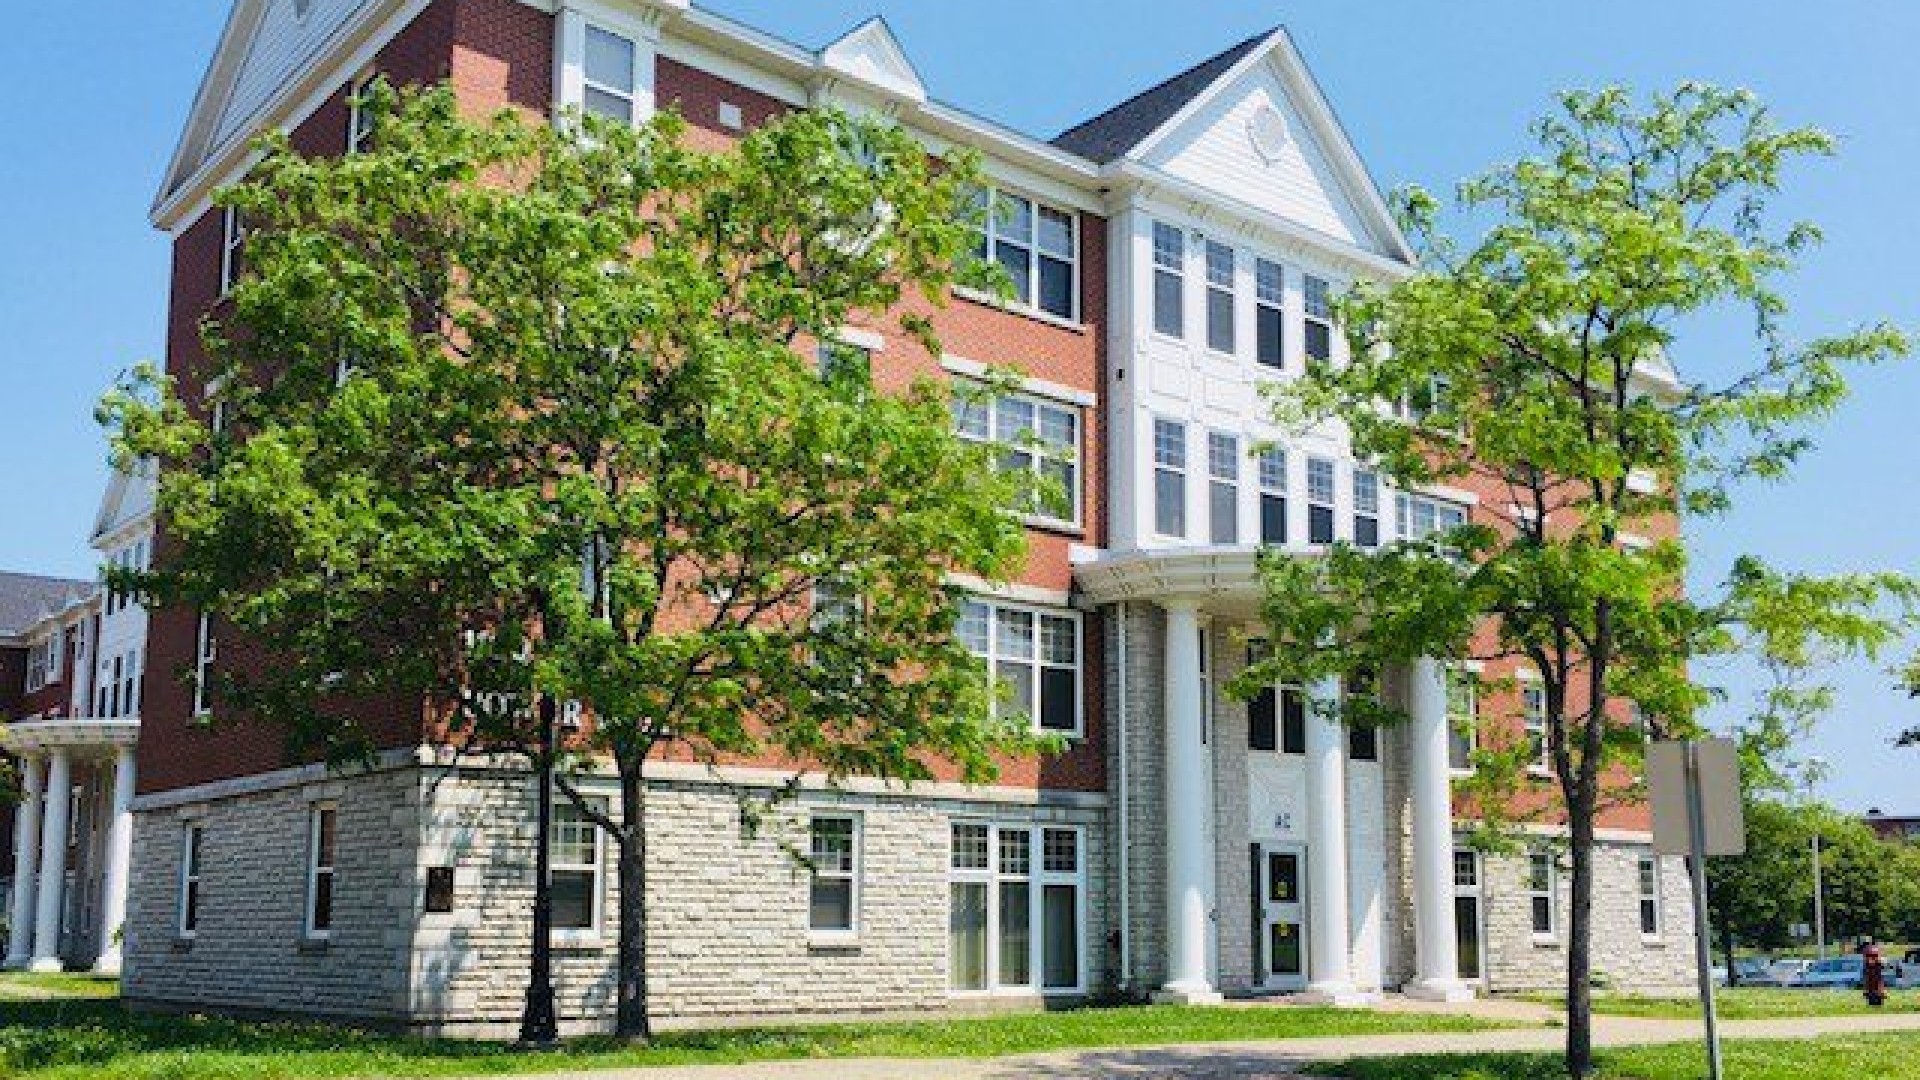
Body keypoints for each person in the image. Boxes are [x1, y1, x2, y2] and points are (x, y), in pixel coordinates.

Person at [1860, 937, 1887, 1007]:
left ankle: (1877, 996)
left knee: (1874, 981)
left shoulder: (1869, 949)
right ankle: (1876, 996)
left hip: (1874, 968)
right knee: (1874, 981)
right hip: (1874, 968)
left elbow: (1871, 959)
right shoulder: (1875, 949)